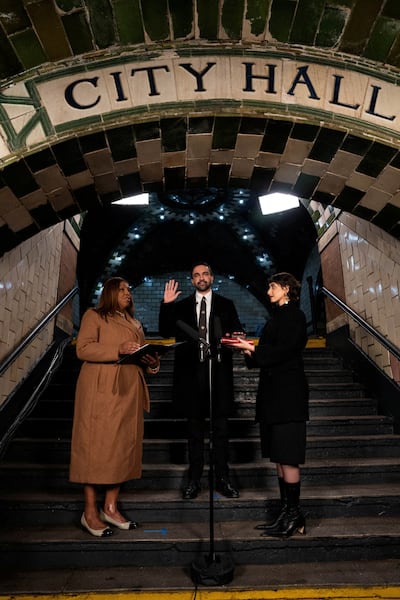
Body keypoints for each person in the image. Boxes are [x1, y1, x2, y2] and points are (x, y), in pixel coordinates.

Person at [70, 277, 160, 537]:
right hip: (101, 391)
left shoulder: (134, 322)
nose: (128, 293)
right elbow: (83, 349)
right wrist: (118, 348)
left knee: (121, 448)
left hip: (129, 392)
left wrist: (152, 362)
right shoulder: (94, 316)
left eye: (129, 290)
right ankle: (89, 512)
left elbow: (141, 357)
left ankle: (110, 507)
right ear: (110, 292)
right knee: (94, 449)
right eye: (122, 289)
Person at [225, 272, 309, 537]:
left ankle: (294, 515)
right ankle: (287, 513)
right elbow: (271, 353)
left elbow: (285, 351)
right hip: (274, 395)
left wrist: (253, 350)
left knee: (288, 455)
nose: (268, 291)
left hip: (288, 396)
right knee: (278, 456)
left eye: (272, 287)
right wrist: (249, 350)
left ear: (286, 288)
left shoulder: (294, 316)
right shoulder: (278, 317)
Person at [159, 262, 243, 499]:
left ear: (212, 277)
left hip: (219, 377)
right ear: (192, 280)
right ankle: (194, 481)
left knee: (221, 432)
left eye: (205, 273)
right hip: (190, 380)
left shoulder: (226, 304)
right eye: (196, 275)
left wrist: (236, 337)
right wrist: (167, 305)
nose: (201, 278)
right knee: (194, 434)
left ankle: (223, 479)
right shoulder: (182, 306)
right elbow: (165, 331)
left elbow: (236, 331)